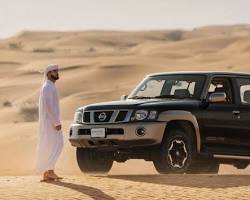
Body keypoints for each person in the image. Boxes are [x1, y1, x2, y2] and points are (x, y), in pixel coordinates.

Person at [36, 64, 64, 181]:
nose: (56, 73)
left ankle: (49, 172)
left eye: (57, 71)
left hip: (51, 123)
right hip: (50, 124)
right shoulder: (47, 87)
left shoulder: (50, 86)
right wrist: (56, 122)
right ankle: (48, 171)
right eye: (54, 71)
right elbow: (49, 107)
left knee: (54, 145)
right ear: (48, 74)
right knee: (56, 145)